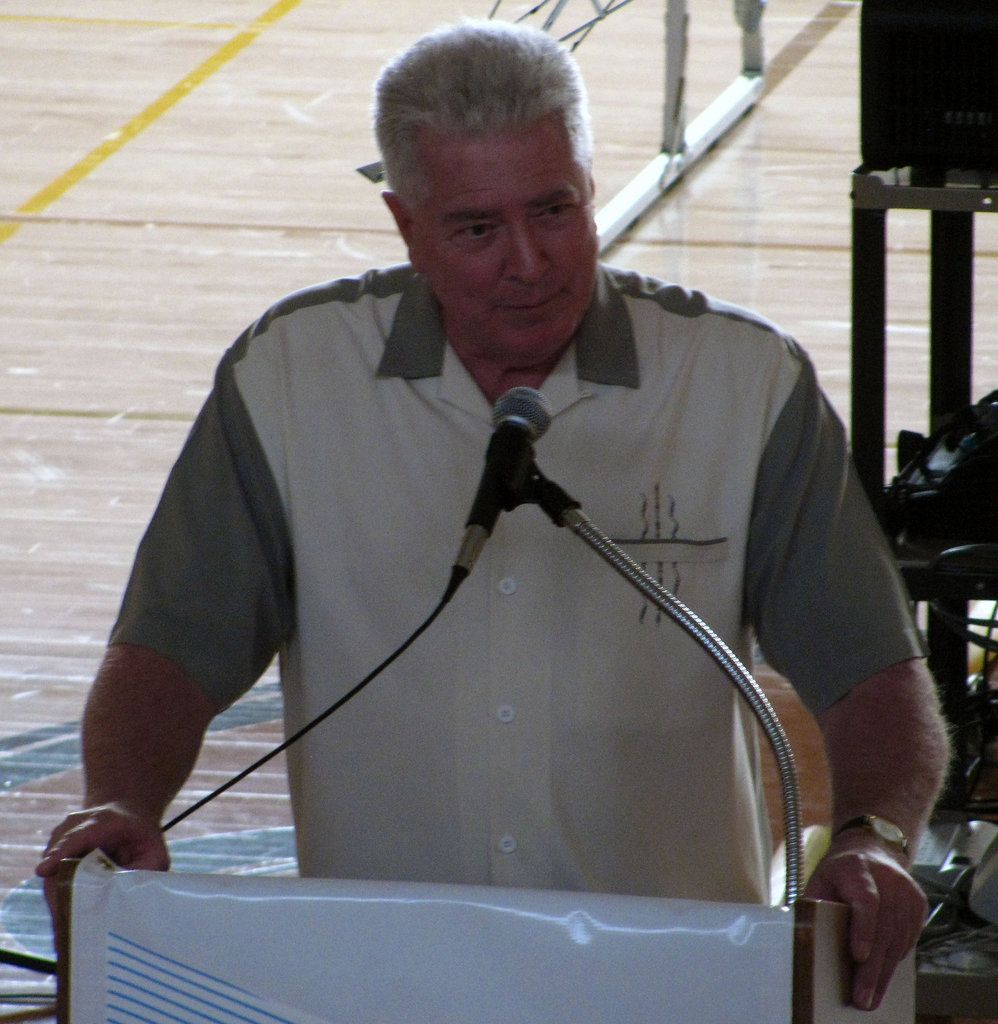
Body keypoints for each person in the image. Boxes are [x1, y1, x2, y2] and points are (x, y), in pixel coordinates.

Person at [37, 19, 949, 1012]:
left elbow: (870, 673)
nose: (530, 261)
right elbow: (169, 650)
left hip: (668, 981)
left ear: (590, 182)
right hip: (376, 978)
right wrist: (122, 800)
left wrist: (874, 836)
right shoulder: (289, 378)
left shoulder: (740, 384)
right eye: (477, 228)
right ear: (404, 223)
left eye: (555, 208)